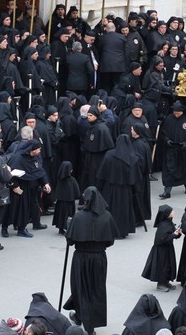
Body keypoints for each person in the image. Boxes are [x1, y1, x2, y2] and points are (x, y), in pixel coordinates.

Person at [64, 186, 120, 335]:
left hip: (81, 258)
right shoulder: (107, 216)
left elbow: (70, 241)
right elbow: (110, 241)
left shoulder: (79, 217)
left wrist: (69, 227)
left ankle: (86, 323)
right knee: (96, 289)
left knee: (80, 288)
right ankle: (84, 318)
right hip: (99, 258)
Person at [96, 133, 141, 238]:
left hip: (110, 188)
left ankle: (109, 230)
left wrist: (99, 187)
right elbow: (135, 178)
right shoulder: (132, 158)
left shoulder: (109, 154)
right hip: (125, 190)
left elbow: (102, 173)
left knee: (110, 210)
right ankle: (122, 231)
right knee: (124, 211)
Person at [142, 204, 182, 292]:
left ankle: (166, 282)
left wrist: (177, 234)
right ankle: (161, 283)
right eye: (171, 211)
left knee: (169, 265)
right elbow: (161, 239)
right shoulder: (163, 225)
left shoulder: (169, 222)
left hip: (168, 249)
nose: (173, 212)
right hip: (161, 251)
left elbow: (171, 235)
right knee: (162, 266)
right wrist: (173, 235)